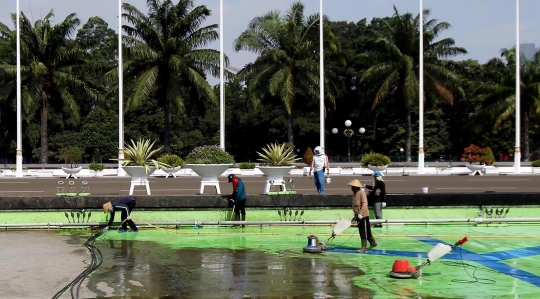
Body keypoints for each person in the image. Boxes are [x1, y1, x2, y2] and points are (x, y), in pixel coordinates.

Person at [348, 179, 377, 253]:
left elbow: (365, 204)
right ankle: (373, 243)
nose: (351, 188)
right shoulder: (354, 194)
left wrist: (360, 214)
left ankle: (364, 247)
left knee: (363, 231)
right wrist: (355, 215)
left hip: (363, 216)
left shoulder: (361, 193)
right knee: (366, 230)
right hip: (358, 215)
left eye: (352, 187)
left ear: (356, 187)